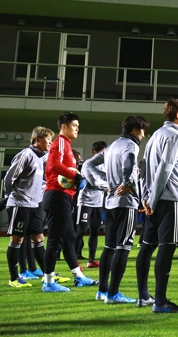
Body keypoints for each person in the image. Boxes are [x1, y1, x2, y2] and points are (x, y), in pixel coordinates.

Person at [84, 115, 150, 304]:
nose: (143, 135)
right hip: (125, 202)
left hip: (110, 202)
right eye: (143, 130)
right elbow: (129, 164)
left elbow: (88, 165)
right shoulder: (130, 145)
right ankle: (113, 294)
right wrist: (128, 183)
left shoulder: (112, 146)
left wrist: (103, 183)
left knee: (109, 247)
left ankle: (102, 291)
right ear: (135, 129)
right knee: (123, 246)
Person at [136, 99, 178, 313]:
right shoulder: (174, 135)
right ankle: (160, 302)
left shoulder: (155, 135)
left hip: (153, 199)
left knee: (147, 246)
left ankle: (143, 297)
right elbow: (165, 169)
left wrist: (146, 197)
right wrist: (153, 197)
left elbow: (144, 167)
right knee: (167, 248)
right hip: (168, 198)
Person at [42, 112, 97, 292]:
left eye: (78, 126)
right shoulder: (60, 142)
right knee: (55, 241)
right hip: (56, 196)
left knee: (69, 240)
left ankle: (79, 277)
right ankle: (48, 282)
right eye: (74, 126)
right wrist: (76, 175)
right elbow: (53, 166)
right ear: (63, 127)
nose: (77, 129)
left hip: (63, 196)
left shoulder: (66, 145)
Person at [4, 126, 54, 288]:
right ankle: (14, 278)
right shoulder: (26, 154)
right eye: (48, 139)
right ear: (37, 139)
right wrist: (9, 196)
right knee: (16, 240)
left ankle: (48, 276)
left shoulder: (42, 157)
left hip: (34, 205)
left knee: (39, 239)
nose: (50, 143)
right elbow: (9, 177)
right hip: (20, 205)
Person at [75, 141, 108, 268]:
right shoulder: (87, 164)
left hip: (98, 203)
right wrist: (109, 186)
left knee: (95, 231)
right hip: (85, 202)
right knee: (81, 230)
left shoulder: (105, 166)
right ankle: (74, 260)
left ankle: (91, 260)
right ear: (95, 152)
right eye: (102, 152)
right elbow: (93, 182)